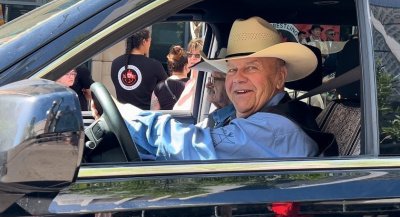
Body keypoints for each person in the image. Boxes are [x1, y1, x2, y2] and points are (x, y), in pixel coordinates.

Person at [107, 16, 320, 160]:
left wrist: (126, 116)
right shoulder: (250, 118)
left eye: (251, 68)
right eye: (231, 69)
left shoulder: (275, 130)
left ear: (279, 77)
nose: (237, 78)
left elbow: (199, 146)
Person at [111, 28, 168, 110]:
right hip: (146, 116)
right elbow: (165, 89)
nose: (150, 44)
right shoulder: (154, 65)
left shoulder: (116, 63)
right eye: (149, 41)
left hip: (122, 116)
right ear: (144, 42)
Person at [151, 45, 190, 110]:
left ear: (170, 66)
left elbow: (153, 112)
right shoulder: (193, 86)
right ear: (186, 66)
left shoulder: (159, 87)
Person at [173, 38, 204, 110]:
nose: (192, 58)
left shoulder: (204, 83)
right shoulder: (189, 82)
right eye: (190, 54)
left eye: (197, 55)